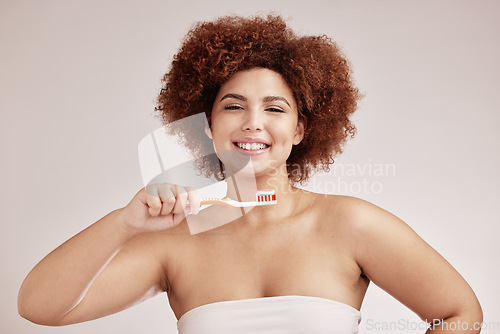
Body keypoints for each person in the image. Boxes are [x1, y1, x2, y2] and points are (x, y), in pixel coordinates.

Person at [18, 14, 482, 333]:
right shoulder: (174, 240)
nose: (252, 123)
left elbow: (461, 313)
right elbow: (39, 308)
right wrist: (123, 223)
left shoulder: (350, 224)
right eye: (233, 106)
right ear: (208, 127)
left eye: (274, 108)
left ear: (301, 129)